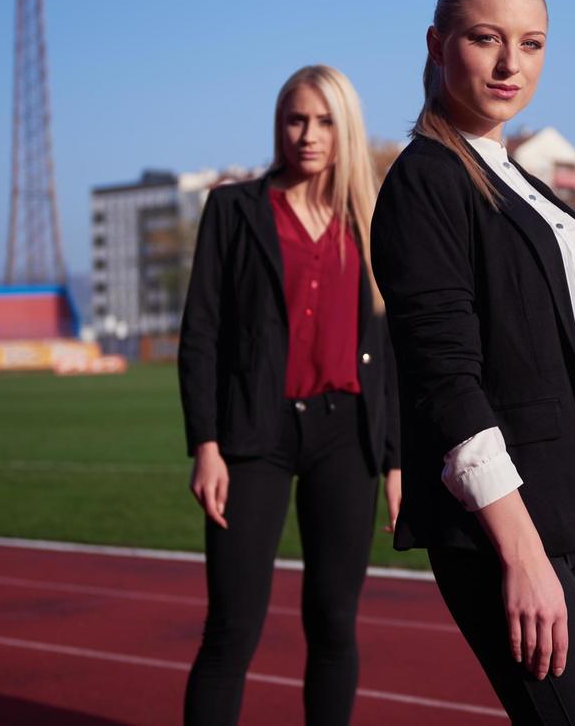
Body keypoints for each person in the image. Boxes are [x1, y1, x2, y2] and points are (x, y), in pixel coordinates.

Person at [371, 0, 575, 725]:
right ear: (436, 44)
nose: (509, 64)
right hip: (516, 532)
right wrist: (523, 556)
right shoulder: (425, 182)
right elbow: (444, 379)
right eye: (485, 39)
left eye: (531, 44)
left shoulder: (517, 175)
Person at [178, 64, 400, 726]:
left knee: (334, 622)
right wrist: (205, 445)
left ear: (346, 130)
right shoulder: (233, 209)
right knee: (232, 626)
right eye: (295, 119)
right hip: (254, 434)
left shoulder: (371, 218)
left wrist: (393, 459)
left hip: (346, 433)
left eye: (324, 121)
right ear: (279, 125)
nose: (308, 134)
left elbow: (390, 351)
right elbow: (201, 336)